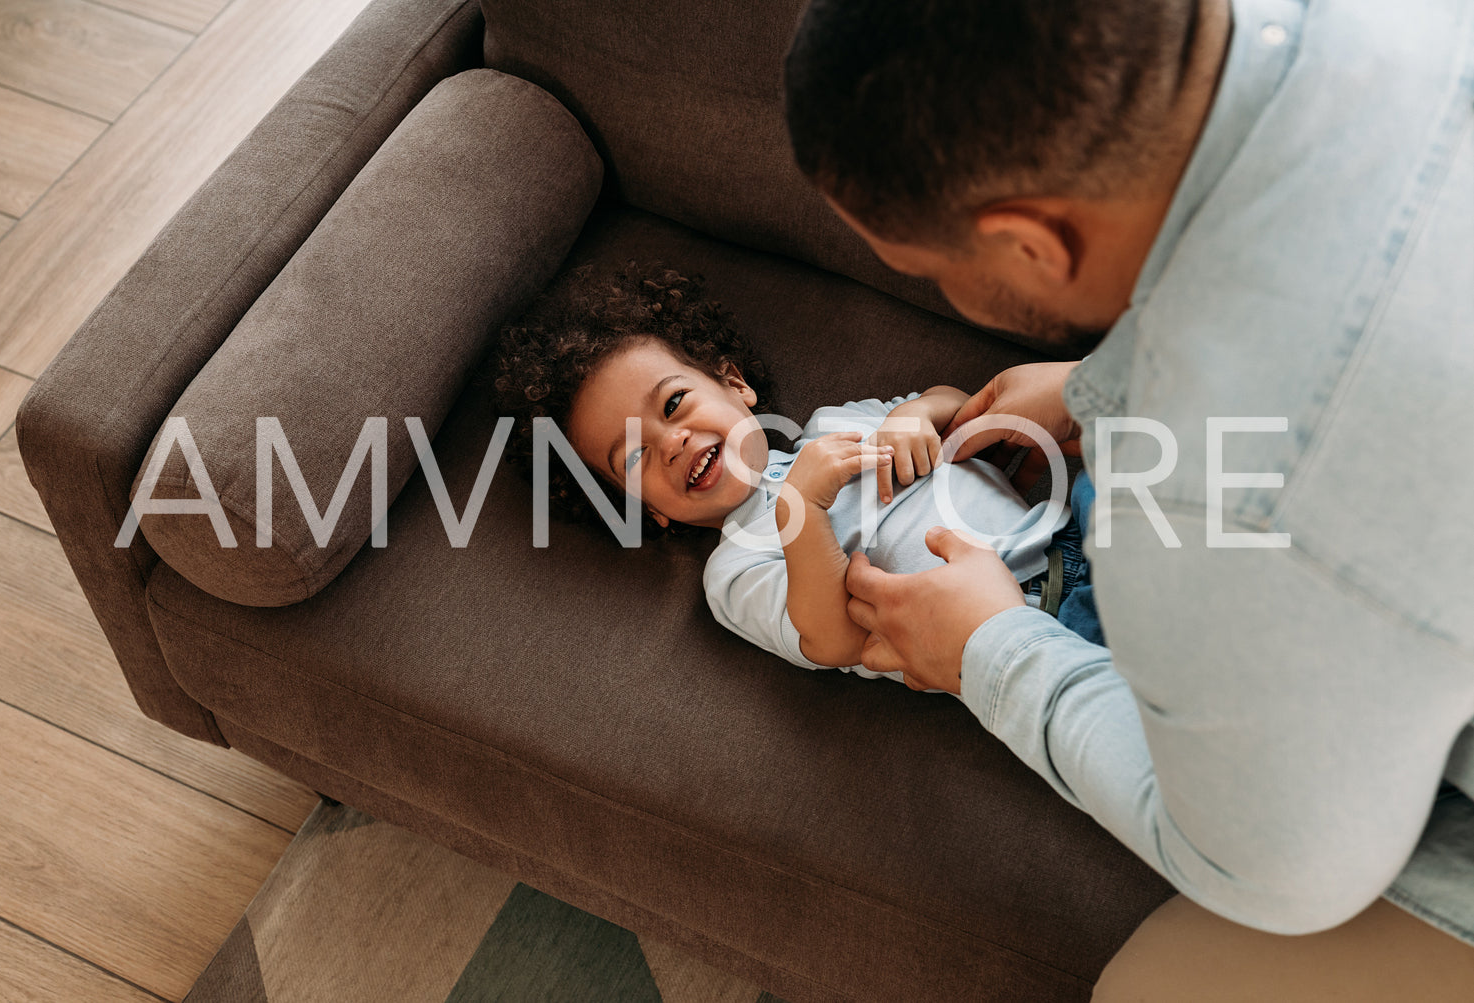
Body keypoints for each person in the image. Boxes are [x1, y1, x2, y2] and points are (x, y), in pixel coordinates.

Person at [784, 0, 1474, 996]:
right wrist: (1088, 385)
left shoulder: (1201, 496)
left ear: (1028, 246)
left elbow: (1273, 873)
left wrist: (987, 648)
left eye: (930, 273)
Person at [493, 262, 1103, 684]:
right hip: (1027, 624)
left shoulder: (838, 421)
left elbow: (955, 400)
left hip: (1075, 524)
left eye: (674, 403)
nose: (672, 442)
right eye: (633, 458)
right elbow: (832, 641)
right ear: (646, 508)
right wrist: (799, 510)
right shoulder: (734, 570)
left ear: (736, 385)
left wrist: (919, 414)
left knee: (1126, 444)